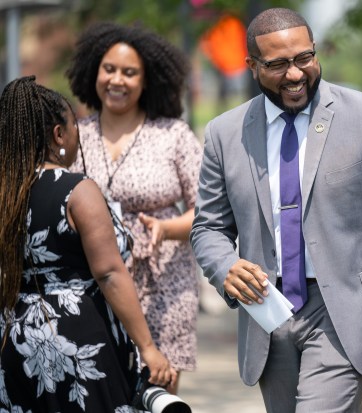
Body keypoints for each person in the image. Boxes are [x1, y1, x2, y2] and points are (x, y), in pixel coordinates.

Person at [190, 7, 362, 412]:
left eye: (304, 58)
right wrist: (224, 267)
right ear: (251, 66)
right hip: (266, 313)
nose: (295, 74)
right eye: (278, 64)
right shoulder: (224, 133)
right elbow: (208, 228)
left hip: (344, 312)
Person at [0, 76, 177, 412]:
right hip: (77, 339)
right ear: (58, 135)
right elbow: (109, 273)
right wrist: (148, 347)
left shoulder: (6, 193)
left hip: (14, 337)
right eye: (74, 124)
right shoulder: (76, 190)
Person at [65, 22, 202, 394]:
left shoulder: (173, 135)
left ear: (148, 80)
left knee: (157, 391)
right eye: (109, 69)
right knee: (100, 388)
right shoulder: (75, 135)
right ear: (94, 71)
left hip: (164, 283)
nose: (117, 80)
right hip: (93, 281)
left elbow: (209, 210)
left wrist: (167, 229)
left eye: (130, 72)